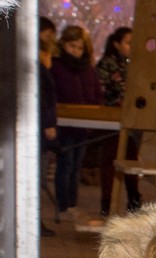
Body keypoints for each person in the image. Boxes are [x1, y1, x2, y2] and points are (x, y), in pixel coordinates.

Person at [50, 25, 103, 221]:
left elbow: (96, 93)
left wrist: (94, 113)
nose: (75, 51)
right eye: (72, 46)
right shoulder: (56, 66)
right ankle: (63, 204)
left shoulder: (88, 69)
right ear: (63, 44)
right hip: (64, 125)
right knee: (66, 165)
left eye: (79, 48)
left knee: (76, 166)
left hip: (83, 126)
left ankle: (72, 204)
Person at [96, 26, 142, 216]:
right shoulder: (107, 64)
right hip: (111, 119)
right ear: (117, 44)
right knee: (110, 159)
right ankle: (108, 202)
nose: (132, 46)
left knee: (130, 158)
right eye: (128, 42)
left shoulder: (134, 64)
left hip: (132, 119)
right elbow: (104, 91)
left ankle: (133, 198)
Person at [38, 17, 59, 237]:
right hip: (40, 130)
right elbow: (43, 99)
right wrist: (48, 124)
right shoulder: (39, 71)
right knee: (39, 178)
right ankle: (35, 221)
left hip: (41, 128)